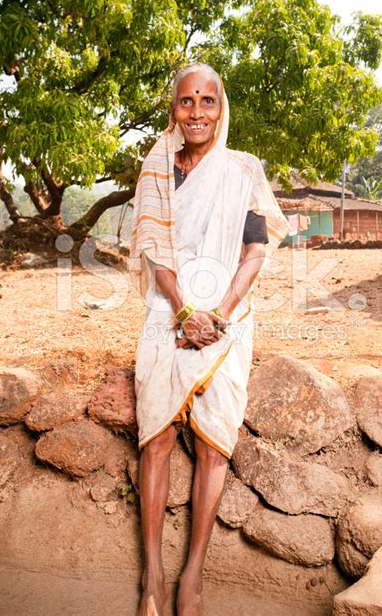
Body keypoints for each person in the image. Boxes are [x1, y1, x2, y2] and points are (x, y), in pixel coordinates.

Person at [128, 62, 291, 616]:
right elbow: (155, 250)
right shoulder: (157, 169)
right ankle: (151, 572)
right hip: (166, 310)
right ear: (173, 109)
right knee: (156, 436)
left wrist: (218, 314)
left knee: (214, 440)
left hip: (229, 314)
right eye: (186, 101)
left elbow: (254, 253)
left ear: (222, 109)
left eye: (208, 101)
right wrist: (183, 312)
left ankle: (192, 575)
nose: (197, 112)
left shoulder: (243, 170)